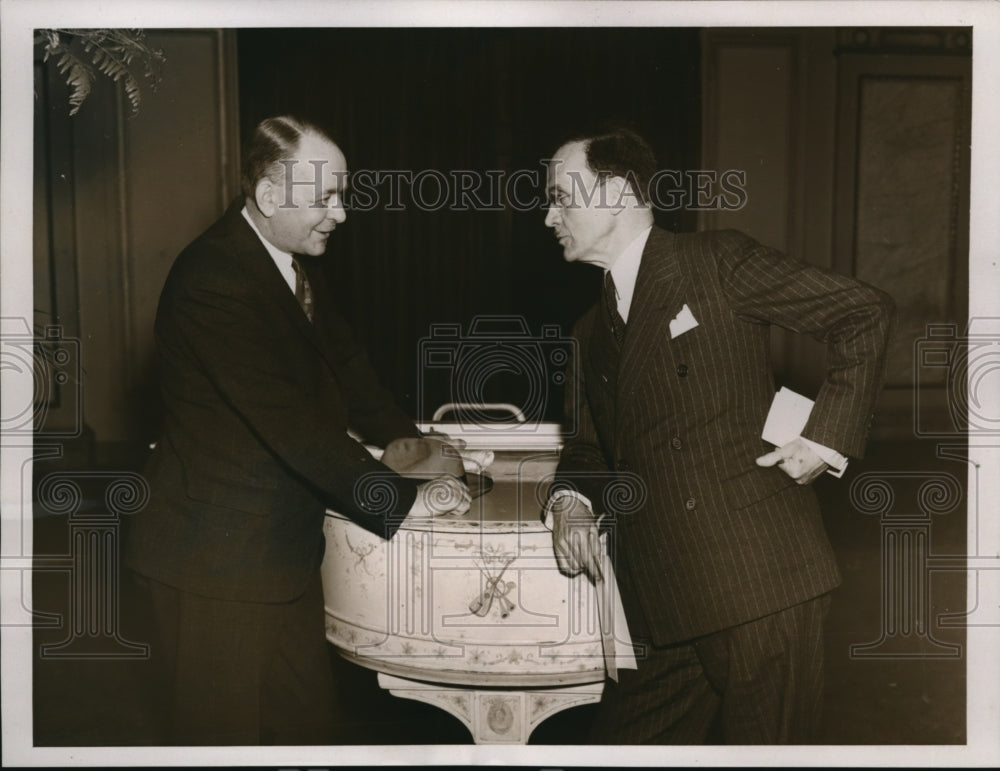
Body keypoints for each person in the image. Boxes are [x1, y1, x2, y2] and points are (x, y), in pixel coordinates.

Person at [541, 127, 894, 744]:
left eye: (560, 198)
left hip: (757, 582)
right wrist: (570, 499)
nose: (549, 217)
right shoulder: (588, 330)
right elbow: (593, 446)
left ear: (620, 193)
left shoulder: (714, 262)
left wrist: (824, 438)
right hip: (663, 600)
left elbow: (862, 311)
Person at [124, 115, 469, 745]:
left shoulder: (286, 263)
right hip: (213, 570)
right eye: (325, 199)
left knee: (304, 733)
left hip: (276, 557)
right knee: (223, 751)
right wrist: (409, 503)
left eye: (342, 194)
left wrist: (419, 445)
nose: (339, 214)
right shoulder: (214, 280)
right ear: (268, 196)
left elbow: (348, 370)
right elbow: (294, 429)